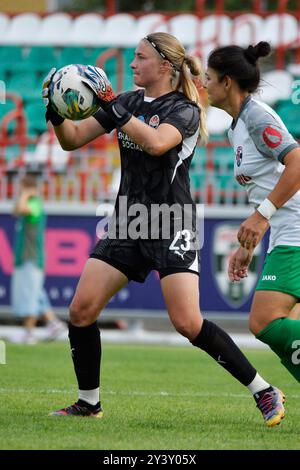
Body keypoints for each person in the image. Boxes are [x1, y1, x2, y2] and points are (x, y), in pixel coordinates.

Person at [43, 32, 284, 426]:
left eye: (139, 58)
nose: (133, 64)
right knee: (81, 310)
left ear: (165, 66)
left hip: (172, 224)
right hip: (127, 222)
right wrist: (54, 109)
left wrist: (112, 108)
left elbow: (156, 143)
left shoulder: (185, 109)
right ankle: (89, 403)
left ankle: (264, 390)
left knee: (188, 323)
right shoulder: (127, 101)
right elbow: (72, 141)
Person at [205, 41, 300, 383]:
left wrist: (261, 216)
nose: (204, 83)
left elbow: (297, 162)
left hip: (295, 228)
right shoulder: (237, 126)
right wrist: (247, 247)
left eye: (209, 77)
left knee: (264, 321)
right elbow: (264, 186)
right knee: (289, 319)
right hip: (286, 228)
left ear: (227, 82)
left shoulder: (257, 116)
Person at [11, 173, 66, 344]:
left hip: (31, 257)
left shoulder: (33, 204)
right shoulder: (31, 202)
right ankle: (54, 324)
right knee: (36, 295)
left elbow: (19, 209)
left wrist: (27, 194)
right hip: (27, 257)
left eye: (21, 187)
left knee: (30, 296)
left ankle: (29, 333)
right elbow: (15, 211)